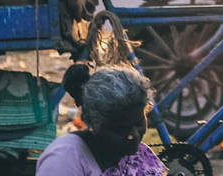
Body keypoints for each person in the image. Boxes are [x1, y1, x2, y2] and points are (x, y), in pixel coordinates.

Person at [37, 65, 165, 176]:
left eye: (139, 123)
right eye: (120, 130)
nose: (135, 135)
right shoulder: (65, 159)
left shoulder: (138, 156)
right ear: (94, 123)